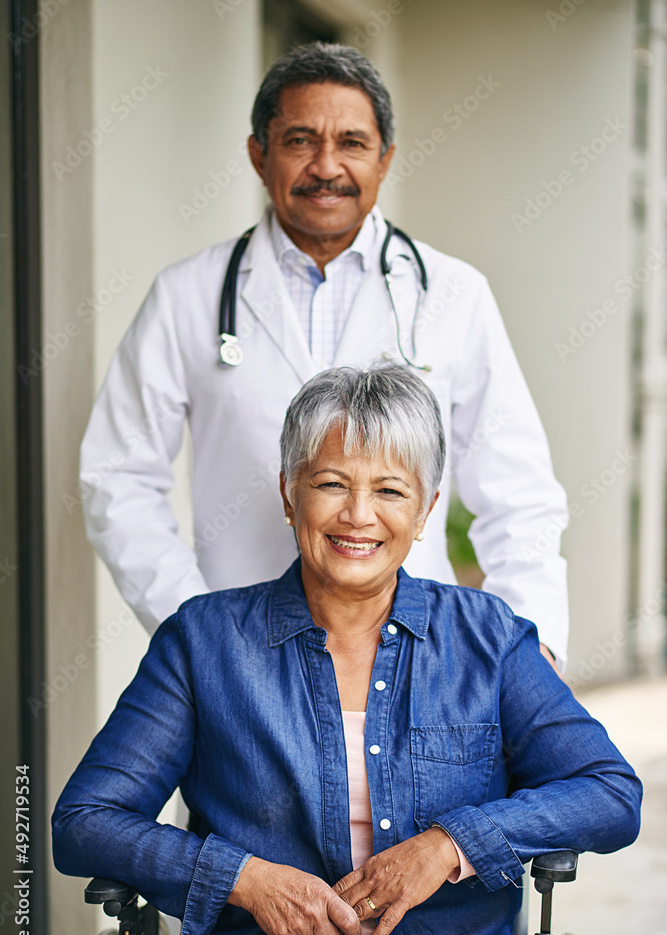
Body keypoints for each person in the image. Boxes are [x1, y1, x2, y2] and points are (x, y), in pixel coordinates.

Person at [54, 364, 641, 935]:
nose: (358, 515)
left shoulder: (488, 640)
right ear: (288, 494)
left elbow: (608, 792)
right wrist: (243, 878)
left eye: (390, 491)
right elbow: (84, 821)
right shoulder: (204, 643)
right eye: (331, 483)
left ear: (424, 511)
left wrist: (450, 846)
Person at [79, 42, 569, 668]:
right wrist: (195, 621)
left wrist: (531, 646)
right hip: (243, 657)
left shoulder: (453, 294)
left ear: (385, 159)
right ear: (259, 155)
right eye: (300, 140)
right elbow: (117, 474)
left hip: (417, 658)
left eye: (353, 143)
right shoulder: (187, 296)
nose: (327, 165)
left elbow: (518, 492)